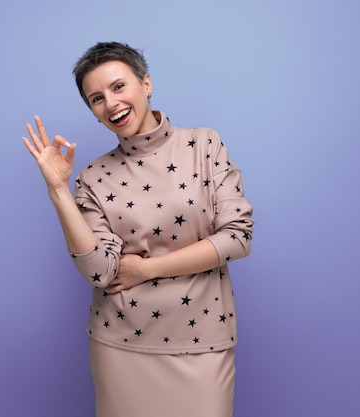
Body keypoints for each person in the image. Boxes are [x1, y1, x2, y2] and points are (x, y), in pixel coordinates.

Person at [22, 41, 253, 417]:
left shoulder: (203, 145)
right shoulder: (93, 177)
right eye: (96, 98)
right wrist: (58, 190)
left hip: (203, 341)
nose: (111, 103)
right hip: (120, 345)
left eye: (118, 87)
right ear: (94, 112)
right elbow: (100, 271)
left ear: (146, 83)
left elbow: (237, 237)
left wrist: (146, 269)